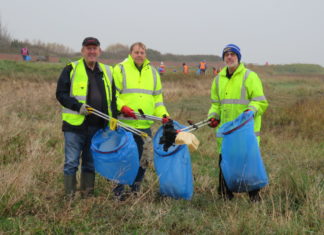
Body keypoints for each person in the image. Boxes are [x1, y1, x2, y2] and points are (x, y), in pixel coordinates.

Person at [56, 37, 117, 198]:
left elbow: (113, 98)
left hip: (97, 127)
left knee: (90, 164)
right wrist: (78, 106)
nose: (91, 51)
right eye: (88, 48)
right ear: (83, 51)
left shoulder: (107, 71)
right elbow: (61, 94)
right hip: (75, 127)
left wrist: (114, 119)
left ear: (99, 51)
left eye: (94, 48)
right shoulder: (71, 69)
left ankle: (86, 196)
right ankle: (69, 198)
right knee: (71, 163)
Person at [207, 44, 268, 201]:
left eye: (233, 54)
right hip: (227, 132)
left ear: (238, 58)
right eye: (226, 54)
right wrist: (213, 116)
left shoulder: (250, 76)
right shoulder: (218, 79)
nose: (229, 57)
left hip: (245, 132)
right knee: (225, 162)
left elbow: (260, 101)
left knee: (248, 163)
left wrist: (251, 111)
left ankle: (254, 196)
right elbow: (216, 104)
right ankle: (225, 196)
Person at [113, 42, 170, 200]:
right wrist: (122, 107)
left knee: (143, 159)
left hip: (144, 125)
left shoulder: (152, 73)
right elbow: (112, 94)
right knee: (123, 158)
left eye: (142, 52)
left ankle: (135, 189)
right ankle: (118, 191)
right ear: (131, 53)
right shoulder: (120, 69)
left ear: (146, 54)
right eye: (136, 52)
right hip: (125, 124)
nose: (139, 55)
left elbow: (157, 99)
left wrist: (164, 114)